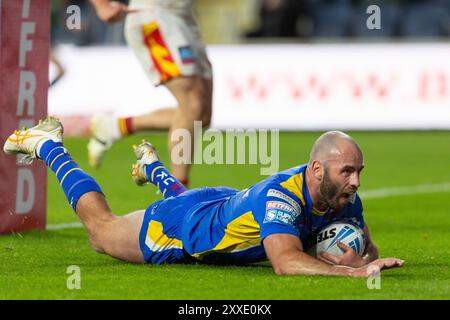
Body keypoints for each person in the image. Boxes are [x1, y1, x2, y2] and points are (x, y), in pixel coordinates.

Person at [3, 117, 404, 276]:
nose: (355, 182)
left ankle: (152, 169)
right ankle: (49, 145)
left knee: (210, 208)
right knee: (101, 232)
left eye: (358, 172)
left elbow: (366, 245)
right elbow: (284, 262)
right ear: (318, 170)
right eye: (347, 172)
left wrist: (364, 256)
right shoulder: (282, 198)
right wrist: (350, 272)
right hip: (181, 228)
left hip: (223, 202)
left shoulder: (345, 197)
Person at [87, 0, 213, 188]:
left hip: (184, 18)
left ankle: (115, 126)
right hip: (154, 15)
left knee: (201, 115)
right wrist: (102, 5)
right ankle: (178, 194)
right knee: (192, 104)